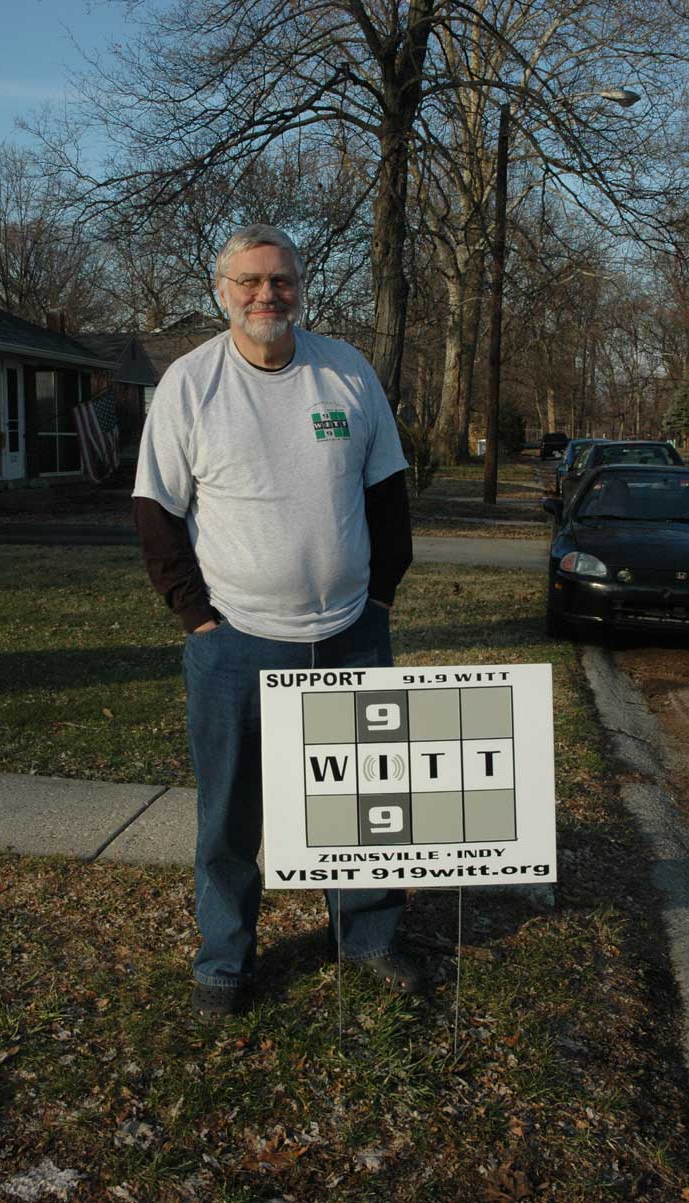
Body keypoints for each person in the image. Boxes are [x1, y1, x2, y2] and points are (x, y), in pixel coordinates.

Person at [132, 224, 422, 1020]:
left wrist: (382, 597)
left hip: (352, 632)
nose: (268, 295)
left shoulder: (347, 372)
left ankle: (367, 936)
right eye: (251, 282)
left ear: (302, 287)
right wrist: (197, 619)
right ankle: (224, 962)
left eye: (283, 281)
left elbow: (388, 494)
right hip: (236, 641)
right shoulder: (191, 385)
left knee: (365, 802)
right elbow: (155, 511)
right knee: (230, 812)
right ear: (221, 290)